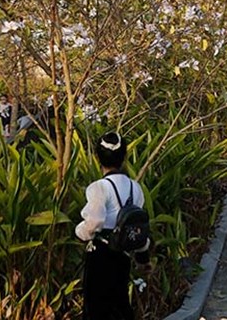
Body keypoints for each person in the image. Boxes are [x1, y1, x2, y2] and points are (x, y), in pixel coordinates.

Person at [76, 131, 150, 320]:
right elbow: (137, 224)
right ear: (124, 157)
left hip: (101, 253)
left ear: (97, 157)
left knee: (95, 307)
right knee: (120, 303)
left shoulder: (99, 187)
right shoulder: (135, 188)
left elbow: (95, 222)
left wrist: (79, 232)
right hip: (123, 254)